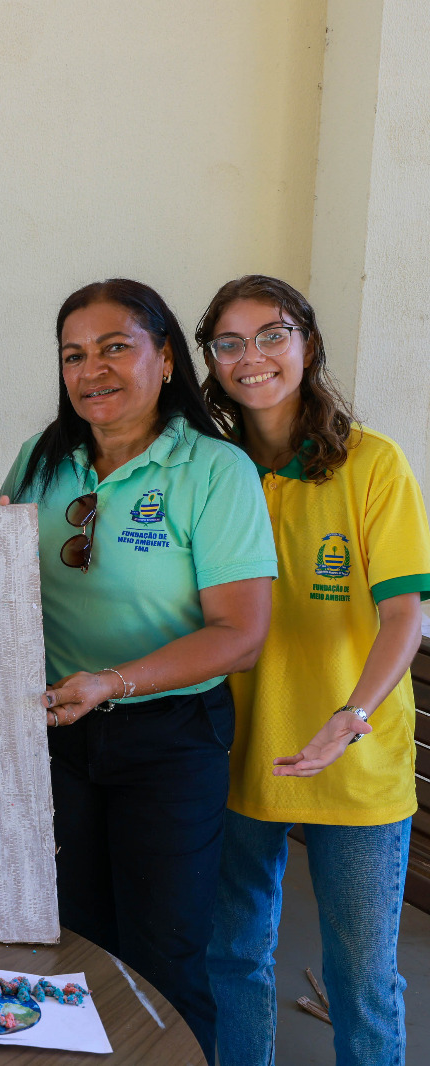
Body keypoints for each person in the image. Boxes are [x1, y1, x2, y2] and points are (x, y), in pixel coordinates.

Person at [0, 278, 276, 1059]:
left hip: (170, 739)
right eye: (74, 355)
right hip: (57, 738)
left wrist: (111, 684)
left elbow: (240, 636)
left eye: (117, 347)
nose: (94, 369)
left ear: (164, 359)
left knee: (165, 960)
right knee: (74, 946)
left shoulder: (216, 471)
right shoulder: (41, 460)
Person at [198, 276, 429, 1066]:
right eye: (228, 342)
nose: (251, 356)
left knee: (362, 980)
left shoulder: (373, 464)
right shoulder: (212, 468)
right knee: (232, 955)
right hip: (237, 753)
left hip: (354, 758)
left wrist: (350, 717)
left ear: (308, 343)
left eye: (272, 333)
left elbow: (405, 616)